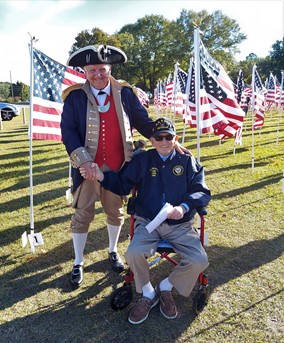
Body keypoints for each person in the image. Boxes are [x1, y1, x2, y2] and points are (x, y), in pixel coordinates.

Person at [60, 45, 188, 288]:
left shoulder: (126, 93)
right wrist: (84, 161)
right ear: (84, 72)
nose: (97, 74)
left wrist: (171, 142)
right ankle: (78, 261)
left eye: (102, 69)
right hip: (87, 168)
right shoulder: (75, 97)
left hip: (119, 168)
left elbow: (144, 122)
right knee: (82, 214)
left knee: (115, 212)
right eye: (92, 70)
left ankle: (111, 251)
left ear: (109, 69)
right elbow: (68, 131)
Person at [82, 117, 211, 324]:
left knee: (199, 260)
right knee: (133, 253)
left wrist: (184, 207)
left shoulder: (187, 161)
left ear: (175, 138)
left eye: (169, 137)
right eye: (159, 137)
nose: (164, 141)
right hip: (149, 221)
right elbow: (123, 184)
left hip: (180, 225)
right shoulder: (142, 160)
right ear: (152, 140)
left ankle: (166, 287)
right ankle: (149, 293)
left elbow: (201, 191)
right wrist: (101, 176)